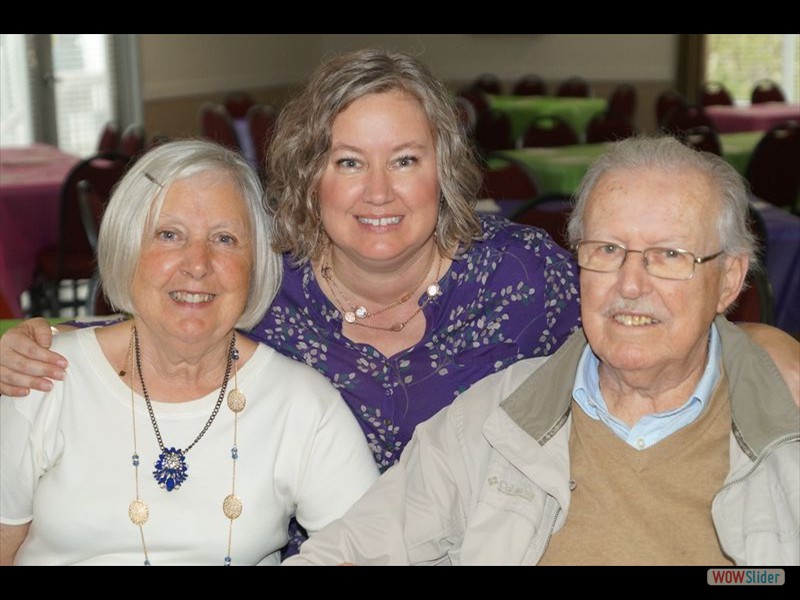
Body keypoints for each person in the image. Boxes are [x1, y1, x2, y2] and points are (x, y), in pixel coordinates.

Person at [1, 49, 581, 474]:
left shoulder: (521, 276)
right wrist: (35, 343)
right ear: (310, 177)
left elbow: (635, 345)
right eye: (349, 163)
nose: (379, 193)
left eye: (405, 161)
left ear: (444, 170)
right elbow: (154, 323)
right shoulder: (267, 285)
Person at [282, 136, 800, 566]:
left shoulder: (784, 432)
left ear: (729, 280)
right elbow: (343, 553)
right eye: (607, 250)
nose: (631, 283)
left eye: (669, 255)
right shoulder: (492, 420)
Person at [0, 140, 378, 565]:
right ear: (128, 248)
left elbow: (366, 551)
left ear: (254, 264)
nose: (197, 263)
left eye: (225, 238)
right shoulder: (42, 375)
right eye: (169, 234)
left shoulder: (301, 406)